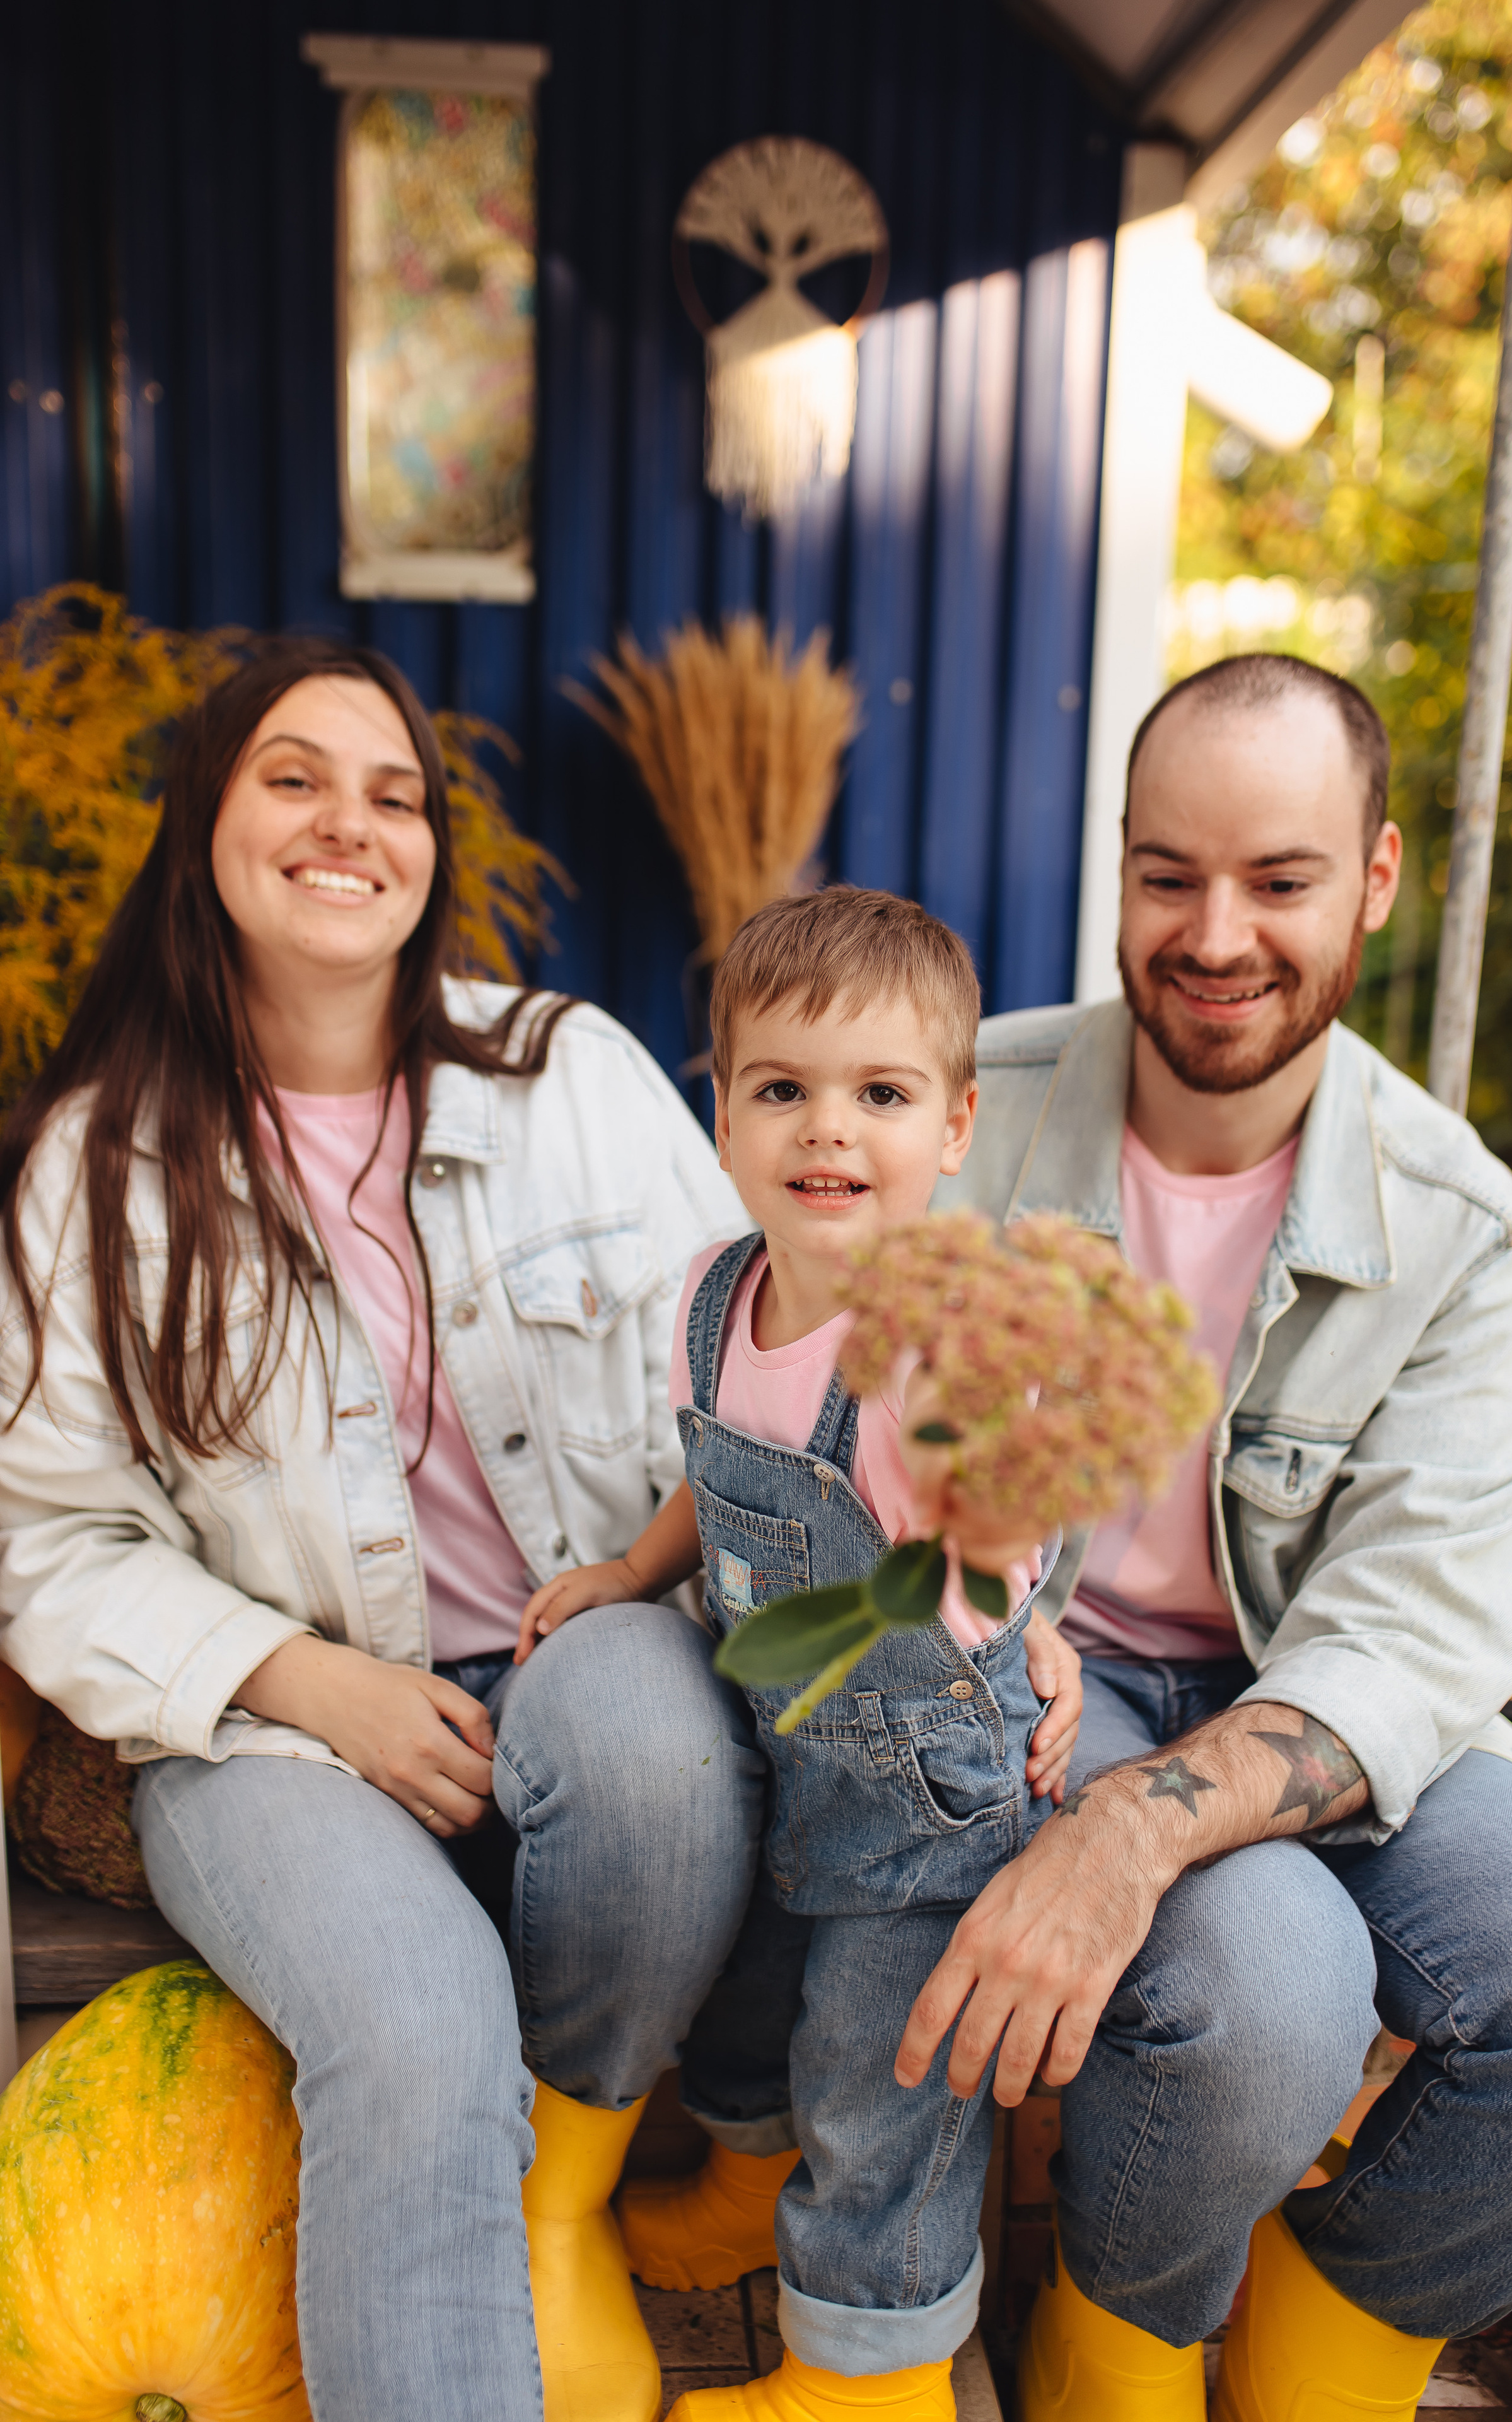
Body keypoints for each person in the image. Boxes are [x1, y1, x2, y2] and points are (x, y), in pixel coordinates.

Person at [0, 636, 763, 2422]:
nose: (353, 822)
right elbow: (45, 1543)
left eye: (396, 793)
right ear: (204, 827)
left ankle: (555, 2201)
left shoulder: (566, 1075)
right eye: (294, 777)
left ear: (431, 854)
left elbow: (747, 1371)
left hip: (585, 1654)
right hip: (264, 1731)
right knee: (415, 2035)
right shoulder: (93, 1169)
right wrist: (303, 1682)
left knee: (655, 1752)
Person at [890, 653, 1512, 2422]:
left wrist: (1136, 1835)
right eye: (1169, 877)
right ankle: (1111, 2353)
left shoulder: (1462, 1230)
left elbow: (1417, 1645)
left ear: (1373, 879)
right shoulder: (954, 1113)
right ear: (1120, 866)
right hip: (1040, 1670)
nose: (1217, 935)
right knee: (1271, 1990)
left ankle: (1319, 2354)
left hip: (1317, 1680)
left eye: (1280, 881)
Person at [521, 887, 1085, 2422]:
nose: (827, 1132)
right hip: (790, 1743)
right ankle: (736, 2193)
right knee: (761, 1996)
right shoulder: (718, 1293)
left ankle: (869, 2373)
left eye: (880, 1096)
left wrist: (1043, 1644)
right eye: (783, 1089)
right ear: (725, 1114)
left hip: (924, 1789)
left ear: (954, 1124)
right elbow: (708, 1477)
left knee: (881, 2069)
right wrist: (633, 1571)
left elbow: (1011, 1532)